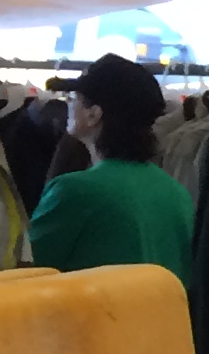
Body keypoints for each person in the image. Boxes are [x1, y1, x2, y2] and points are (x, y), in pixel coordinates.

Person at [27, 53, 192, 288]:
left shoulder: (74, 191)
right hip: (163, 312)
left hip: (93, 312)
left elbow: (27, 272)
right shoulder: (175, 192)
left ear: (93, 114)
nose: (69, 104)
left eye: (75, 98)